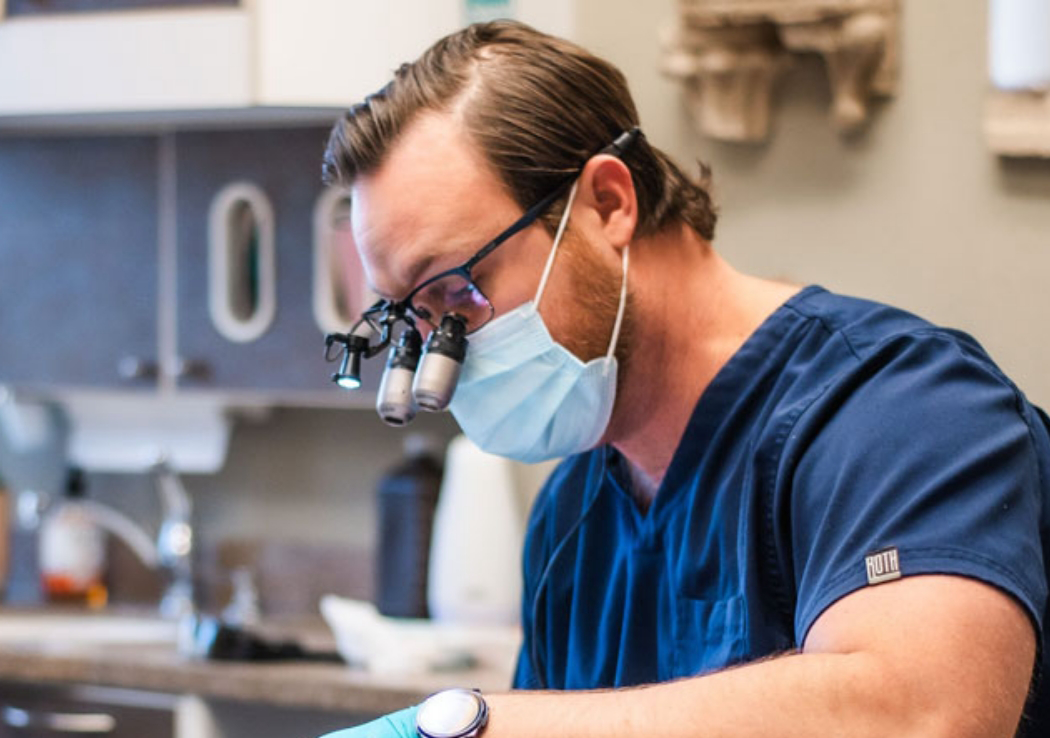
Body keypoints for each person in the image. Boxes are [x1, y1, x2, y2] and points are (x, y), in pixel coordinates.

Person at [320, 19, 1050, 738]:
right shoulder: (573, 516)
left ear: (608, 203)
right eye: (412, 323)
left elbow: (922, 716)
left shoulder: (902, 413)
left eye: (458, 293)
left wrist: (480, 727)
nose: (443, 367)